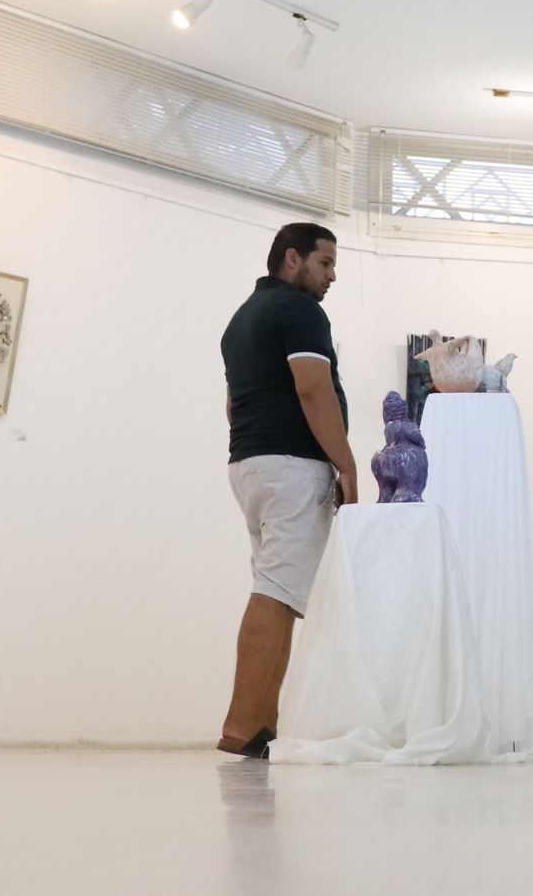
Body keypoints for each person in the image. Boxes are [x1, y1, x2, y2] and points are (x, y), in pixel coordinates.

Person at [218, 222, 357, 758]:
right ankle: (241, 728)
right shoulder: (300, 311)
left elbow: (233, 405)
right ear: (292, 258)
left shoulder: (241, 319)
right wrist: (346, 465)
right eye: (326, 263)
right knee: (276, 593)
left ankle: (261, 726)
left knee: (279, 591)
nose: (332, 276)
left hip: (250, 465)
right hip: (292, 467)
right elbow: (313, 388)